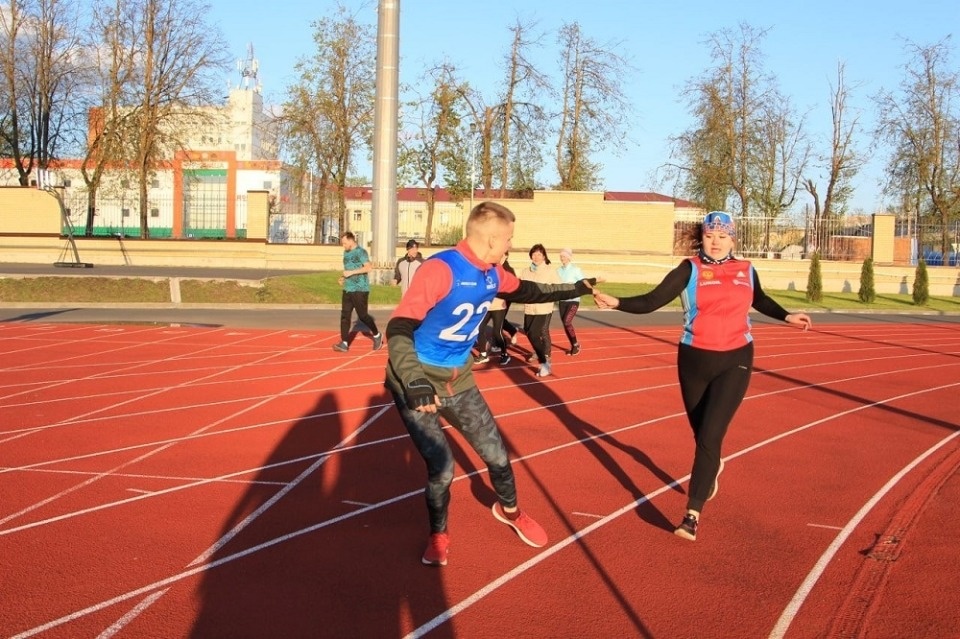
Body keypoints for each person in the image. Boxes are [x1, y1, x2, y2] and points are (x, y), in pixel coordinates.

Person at [384, 201, 596, 566]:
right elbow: (399, 326)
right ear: (492, 238)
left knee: (497, 455)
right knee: (443, 468)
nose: (511, 246)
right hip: (416, 380)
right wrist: (414, 379)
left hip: (459, 379)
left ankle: (510, 511)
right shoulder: (441, 269)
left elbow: (528, 291)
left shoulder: (492, 273)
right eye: (509, 239)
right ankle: (438, 534)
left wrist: (573, 287)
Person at [593, 211, 812, 542]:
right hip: (694, 359)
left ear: (732, 239)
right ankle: (711, 465)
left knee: (710, 436)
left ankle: (691, 515)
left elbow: (761, 299)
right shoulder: (689, 269)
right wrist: (617, 302)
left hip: (736, 358)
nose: (716, 241)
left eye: (723, 236)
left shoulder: (746, 270)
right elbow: (653, 300)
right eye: (711, 235)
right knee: (702, 435)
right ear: (703, 237)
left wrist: (786, 315)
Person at [332, 231, 383, 352]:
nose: (343, 246)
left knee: (363, 316)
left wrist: (351, 273)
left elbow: (368, 267)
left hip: (360, 289)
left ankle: (377, 335)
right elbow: (348, 268)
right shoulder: (346, 252)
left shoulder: (361, 252)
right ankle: (344, 342)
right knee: (345, 315)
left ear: (351, 240)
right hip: (348, 289)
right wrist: (343, 278)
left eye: (344, 243)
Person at [519, 244, 561, 377]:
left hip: (544, 307)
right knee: (528, 331)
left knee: (536, 332)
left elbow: (558, 287)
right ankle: (540, 352)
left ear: (544, 256)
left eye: (539, 254)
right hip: (529, 307)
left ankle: (545, 361)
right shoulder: (526, 271)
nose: (536, 257)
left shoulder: (550, 271)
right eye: (534, 254)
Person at [474, 252, 520, 366]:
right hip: (488, 304)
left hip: (499, 305)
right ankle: (483, 354)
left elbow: (512, 287)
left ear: (505, 256)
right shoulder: (489, 267)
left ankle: (505, 354)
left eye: (501, 255)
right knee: (479, 328)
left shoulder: (506, 270)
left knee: (497, 331)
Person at [556, 248, 586, 356]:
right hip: (562, 301)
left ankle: (575, 344)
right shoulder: (558, 271)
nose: (562, 258)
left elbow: (584, 283)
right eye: (561, 256)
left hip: (573, 300)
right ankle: (574, 345)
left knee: (567, 322)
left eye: (564, 256)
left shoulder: (576, 270)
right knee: (565, 324)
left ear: (569, 257)